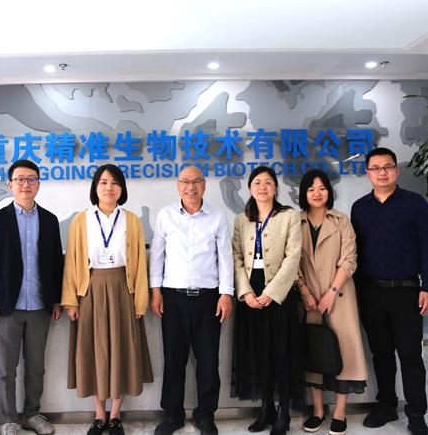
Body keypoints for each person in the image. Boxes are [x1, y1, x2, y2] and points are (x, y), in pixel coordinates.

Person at [61, 164, 153, 435]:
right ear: (95, 187)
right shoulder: (81, 219)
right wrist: (71, 300)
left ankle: (115, 415)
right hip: (90, 289)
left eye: (114, 183)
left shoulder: (132, 220)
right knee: (93, 349)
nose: (109, 187)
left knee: (121, 348)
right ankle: (99, 413)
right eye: (103, 182)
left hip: (124, 288)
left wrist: (140, 300)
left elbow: (140, 263)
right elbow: (71, 263)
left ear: (122, 188)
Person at [351, 148, 428, 435]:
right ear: (368, 173)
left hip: (407, 292)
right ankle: (386, 405)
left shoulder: (415, 204)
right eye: (376, 168)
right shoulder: (360, 208)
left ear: (396, 171)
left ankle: (416, 413)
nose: (382, 172)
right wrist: (357, 291)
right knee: (382, 354)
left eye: (387, 167)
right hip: (371, 292)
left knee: (411, 355)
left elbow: (427, 248)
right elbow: (356, 252)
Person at [0, 160, 63, 435]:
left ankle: (32, 414)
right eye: (20, 179)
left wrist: (56, 299)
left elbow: (56, 263)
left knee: (36, 367)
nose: (26, 184)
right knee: (6, 369)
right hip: (7, 306)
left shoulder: (49, 220)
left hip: (40, 305)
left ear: (38, 183)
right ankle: (9, 419)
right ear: (10, 184)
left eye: (31, 179)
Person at [149, 165, 234, 435]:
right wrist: (155, 291)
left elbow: (225, 258)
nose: (191, 186)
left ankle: (205, 414)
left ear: (204, 185)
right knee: (174, 359)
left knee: (208, 359)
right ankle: (172, 415)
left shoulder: (218, 217)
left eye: (196, 181)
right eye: (185, 181)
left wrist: (226, 294)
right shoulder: (166, 216)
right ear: (178, 185)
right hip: (173, 298)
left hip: (209, 299)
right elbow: (157, 256)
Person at [231, 166, 302, 435]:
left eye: (268, 182)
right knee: (258, 352)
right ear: (250, 188)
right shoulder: (242, 219)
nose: (263, 187)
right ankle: (266, 408)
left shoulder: (289, 216)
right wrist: (246, 292)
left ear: (276, 188)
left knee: (281, 352)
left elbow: (293, 257)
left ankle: (284, 410)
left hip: (279, 293)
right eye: (257, 183)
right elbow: (236, 257)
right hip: (251, 291)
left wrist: (272, 293)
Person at [296, 169, 367, 435]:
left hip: (339, 296)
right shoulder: (295, 222)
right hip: (309, 299)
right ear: (304, 193)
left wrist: (331, 292)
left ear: (329, 191)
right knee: (314, 351)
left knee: (344, 355)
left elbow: (349, 259)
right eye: (311, 189)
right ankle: (317, 410)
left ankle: (339, 412)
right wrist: (306, 293)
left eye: (322, 188)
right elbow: (291, 262)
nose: (317, 193)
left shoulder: (340, 220)